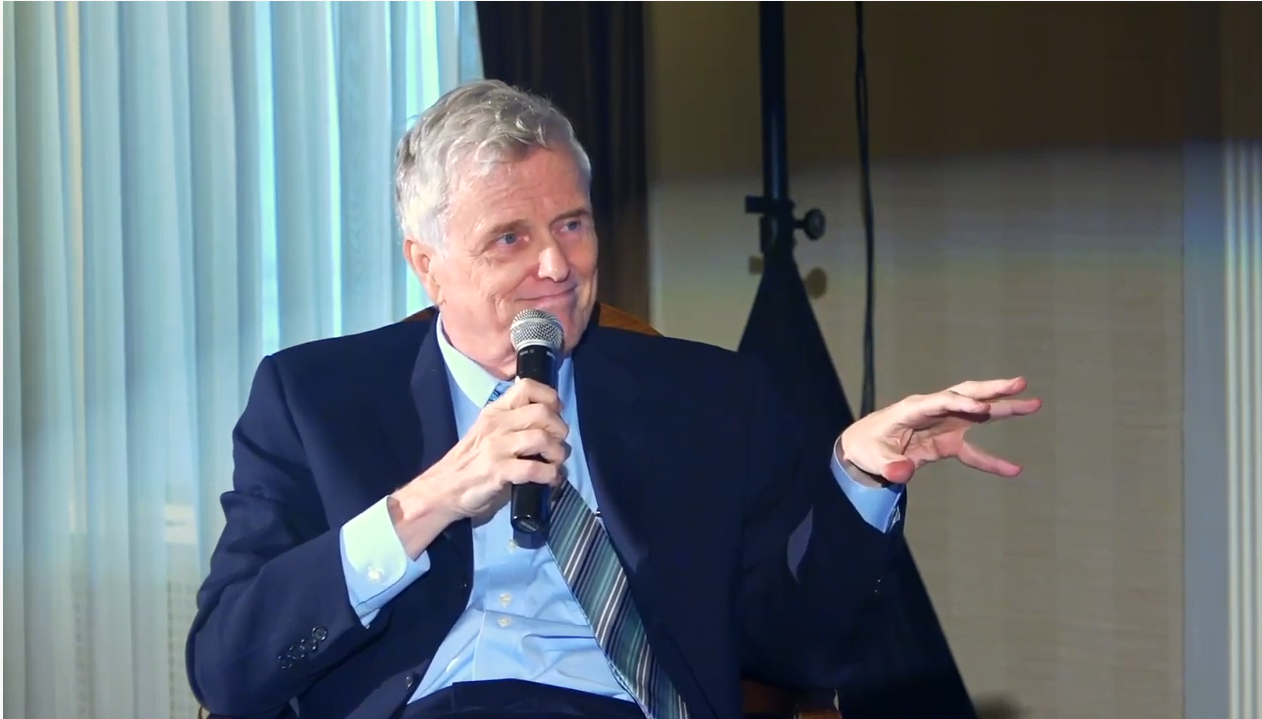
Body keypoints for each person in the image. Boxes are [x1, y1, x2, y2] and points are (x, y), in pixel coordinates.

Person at [186, 80, 1041, 719]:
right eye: (509, 238)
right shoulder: (314, 398)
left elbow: (800, 648)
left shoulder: (709, 399)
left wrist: (859, 477)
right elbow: (229, 668)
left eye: (572, 224)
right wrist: (433, 498)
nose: (556, 266)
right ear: (426, 263)